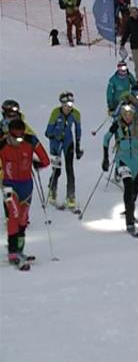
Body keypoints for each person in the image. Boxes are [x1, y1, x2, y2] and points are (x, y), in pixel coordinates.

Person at [1, 120, 50, 269]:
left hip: (26, 186)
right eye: (15, 137)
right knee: (14, 215)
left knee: (23, 219)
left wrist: (36, 163)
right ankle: (12, 251)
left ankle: (20, 250)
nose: (18, 140)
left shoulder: (30, 140)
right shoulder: (2, 144)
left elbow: (45, 160)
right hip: (9, 185)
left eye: (21, 136)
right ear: (9, 133)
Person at [102, 104, 138, 236]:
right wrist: (105, 158)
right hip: (123, 159)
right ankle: (129, 222)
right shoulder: (117, 124)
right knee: (128, 187)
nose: (127, 116)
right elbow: (106, 138)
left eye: (130, 114)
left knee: (135, 190)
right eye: (125, 114)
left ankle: (129, 209)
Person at [45, 91, 83, 209]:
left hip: (68, 143)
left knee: (70, 169)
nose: (68, 108)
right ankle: (52, 189)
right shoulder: (55, 113)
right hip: (56, 144)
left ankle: (71, 195)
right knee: (57, 170)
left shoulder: (76, 114)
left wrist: (77, 147)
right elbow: (47, 132)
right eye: (66, 105)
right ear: (61, 104)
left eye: (70, 105)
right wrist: (55, 135)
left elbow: (78, 131)